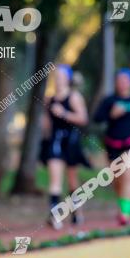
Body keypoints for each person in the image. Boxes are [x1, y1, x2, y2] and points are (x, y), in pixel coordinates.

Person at [93, 68, 130, 225]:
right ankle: (122, 206)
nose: (122, 83)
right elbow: (97, 119)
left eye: (125, 80)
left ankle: (125, 214)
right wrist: (112, 114)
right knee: (117, 181)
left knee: (128, 177)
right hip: (112, 144)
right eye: (119, 80)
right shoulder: (109, 100)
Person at [40, 64, 90, 228]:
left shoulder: (74, 97)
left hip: (71, 142)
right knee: (54, 180)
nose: (58, 80)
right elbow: (46, 123)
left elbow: (83, 119)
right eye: (56, 77)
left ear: (68, 79)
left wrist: (64, 113)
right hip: (55, 142)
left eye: (61, 77)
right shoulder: (50, 99)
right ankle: (55, 217)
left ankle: (77, 212)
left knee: (72, 181)